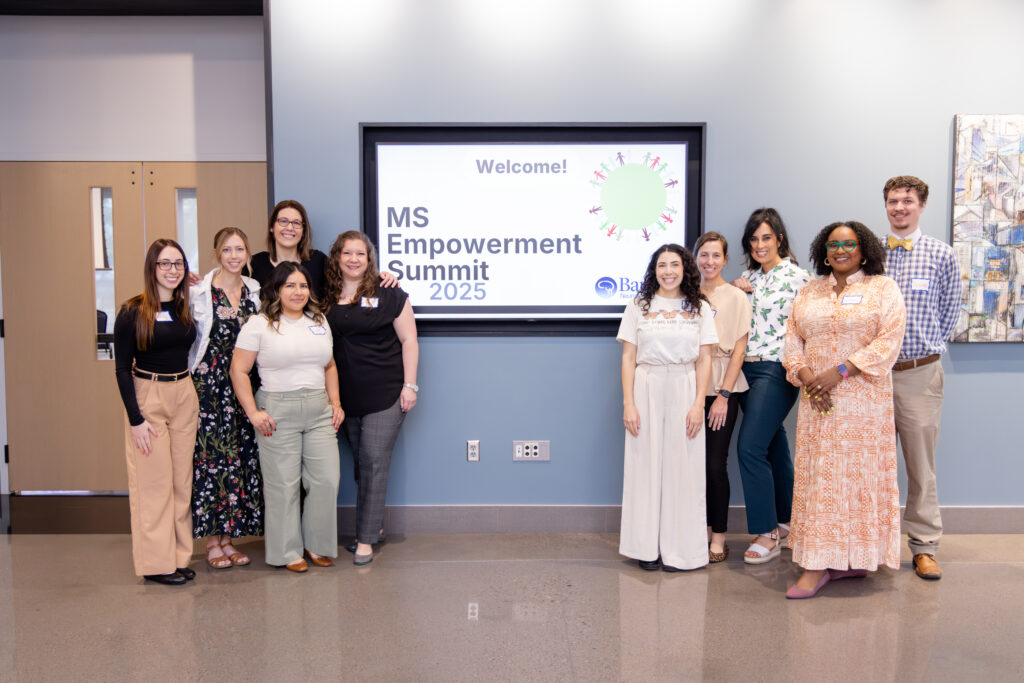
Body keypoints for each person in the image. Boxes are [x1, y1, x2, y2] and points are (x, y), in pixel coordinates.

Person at [782, 221, 907, 598]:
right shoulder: (810, 290)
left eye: (848, 244)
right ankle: (816, 564)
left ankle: (851, 559)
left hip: (863, 403)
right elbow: (791, 338)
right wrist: (808, 378)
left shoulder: (882, 288)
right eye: (833, 244)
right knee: (822, 480)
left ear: (864, 250)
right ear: (824, 251)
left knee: (857, 481)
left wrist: (839, 371)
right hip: (817, 402)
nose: (840, 250)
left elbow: (889, 339)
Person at [229, 262, 345, 572]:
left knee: (326, 480)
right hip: (277, 410)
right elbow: (238, 370)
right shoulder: (259, 324)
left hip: (319, 410)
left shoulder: (319, 321)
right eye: (290, 285)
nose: (298, 291)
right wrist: (253, 411)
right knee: (283, 484)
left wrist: (335, 402)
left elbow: (329, 365)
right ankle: (286, 551)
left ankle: (317, 545)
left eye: (303, 285)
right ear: (277, 290)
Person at [618, 244, 718, 572]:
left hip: (685, 383)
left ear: (685, 268)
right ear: (654, 269)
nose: (668, 271)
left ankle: (681, 552)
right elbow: (628, 357)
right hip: (646, 382)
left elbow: (704, 358)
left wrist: (697, 404)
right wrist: (629, 403)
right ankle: (644, 548)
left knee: (684, 469)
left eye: (675, 264)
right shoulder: (639, 305)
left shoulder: (699, 306)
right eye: (662, 265)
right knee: (644, 465)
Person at [882, 175, 962, 580]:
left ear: (921, 205)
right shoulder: (870, 253)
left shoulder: (941, 254)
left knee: (920, 466)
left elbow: (950, 312)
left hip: (919, 373)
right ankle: (872, 546)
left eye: (907, 201)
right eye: (893, 201)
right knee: (872, 464)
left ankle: (924, 547)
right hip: (872, 378)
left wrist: (925, 349)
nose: (899, 207)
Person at [324, 231, 419, 566]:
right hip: (344, 398)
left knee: (373, 461)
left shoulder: (389, 291)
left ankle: (364, 540)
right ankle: (374, 527)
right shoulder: (324, 295)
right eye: (347, 253)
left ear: (369, 259)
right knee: (363, 465)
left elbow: (409, 340)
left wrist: (411, 386)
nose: (353, 259)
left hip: (386, 393)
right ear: (337, 257)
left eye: (360, 254)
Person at [113, 239, 199, 586]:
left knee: (181, 482)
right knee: (153, 484)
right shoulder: (132, 311)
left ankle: (178, 557)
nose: (172, 270)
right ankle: (155, 564)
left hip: (183, 394)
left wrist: (195, 283)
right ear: (152, 267)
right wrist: (136, 420)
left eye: (178, 263)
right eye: (164, 263)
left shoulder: (184, 307)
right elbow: (121, 369)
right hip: (148, 396)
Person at [731, 208, 809, 564]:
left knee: (749, 447)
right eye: (754, 238)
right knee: (774, 445)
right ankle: (790, 522)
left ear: (779, 238)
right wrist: (735, 291)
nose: (760, 244)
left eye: (766, 237)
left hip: (777, 370)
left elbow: (812, 326)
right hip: (745, 371)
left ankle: (766, 532)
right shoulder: (746, 278)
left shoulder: (798, 278)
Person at [188, 227, 264, 569]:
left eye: (240, 249)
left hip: (242, 388)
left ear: (247, 253)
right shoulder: (200, 291)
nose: (234, 256)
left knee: (238, 460)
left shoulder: (254, 291)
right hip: (208, 389)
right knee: (209, 462)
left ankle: (230, 539)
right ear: (217, 253)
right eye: (227, 250)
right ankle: (211, 542)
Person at [695, 232, 752, 563]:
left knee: (715, 464)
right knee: (691, 465)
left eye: (716, 255)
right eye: (704, 255)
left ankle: (718, 536)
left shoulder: (736, 297)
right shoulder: (688, 295)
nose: (709, 261)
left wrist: (723, 395)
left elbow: (739, 350)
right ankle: (698, 530)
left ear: (725, 259)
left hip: (722, 386)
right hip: (689, 386)